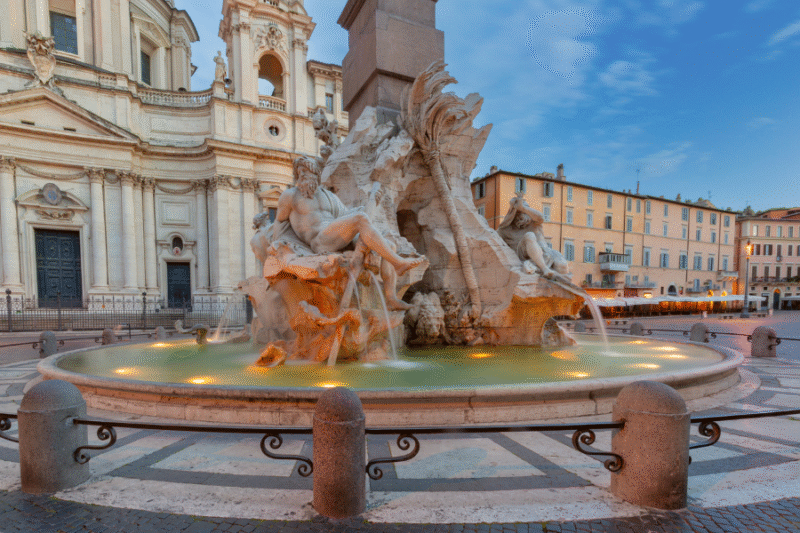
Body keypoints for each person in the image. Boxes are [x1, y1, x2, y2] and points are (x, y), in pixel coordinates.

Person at [497, 193, 571, 283]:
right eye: (519, 212)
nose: (522, 215)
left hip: (546, 253)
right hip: (523, 255)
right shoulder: (505, 230)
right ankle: (544, 269)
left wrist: (523, 208)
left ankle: (545, 271)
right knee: (530, 235)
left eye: (526, 211)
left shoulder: (535, 222)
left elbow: (541, 217)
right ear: (513, 214)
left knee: (562, 266)